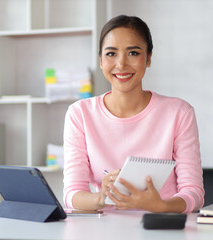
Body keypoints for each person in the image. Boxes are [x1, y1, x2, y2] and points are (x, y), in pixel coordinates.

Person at [63, 15, 204, 213]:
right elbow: (72, 194)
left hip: (162, 227)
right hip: (102, 230)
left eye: (133, 53)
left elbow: (194, 193)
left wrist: (161, 206)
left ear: (148, 59)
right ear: (101, 61)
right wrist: (101, 198)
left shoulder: (179, 113)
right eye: (111, 54)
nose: (121, 64)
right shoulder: (80, 114)